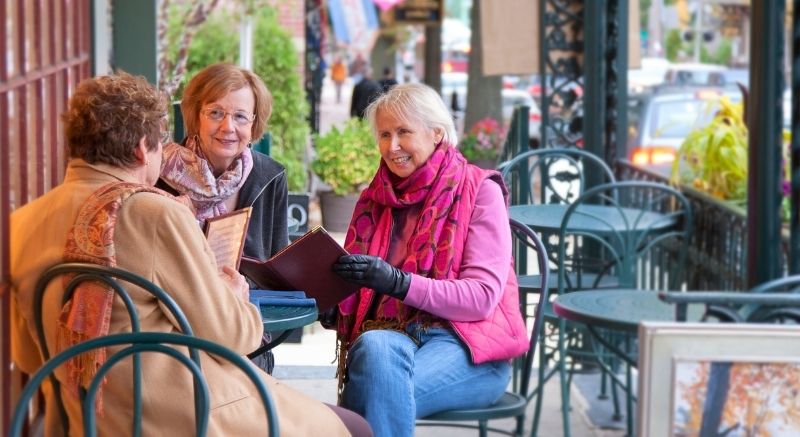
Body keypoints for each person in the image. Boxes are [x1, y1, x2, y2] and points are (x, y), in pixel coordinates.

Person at [10, 72, 371, 437]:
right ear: (141, 148)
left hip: (78, 421)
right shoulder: (154, 212)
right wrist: (235, 296)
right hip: (173, 417)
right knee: (354, 427)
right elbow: (232, 335)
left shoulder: (19, 225)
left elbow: (26, 354)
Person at [327, 83, 529, 436]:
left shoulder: (481, 191)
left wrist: (397, 283)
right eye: (384, 134)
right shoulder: (375, 199)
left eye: (404, 132)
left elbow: (480, 299)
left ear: (437, 133)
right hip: (392, 343)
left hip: (470, 350)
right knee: (374, 350)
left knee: (371, 390)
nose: (392, 147)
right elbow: (358, 298)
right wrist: (333, 301)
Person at [157, 63, 287, 373]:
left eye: (240, 116)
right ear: (195, 115)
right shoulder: (159, 174)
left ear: (253, 124)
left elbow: (277, 272)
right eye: (215, 113)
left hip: (244, 323)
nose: (228, 127)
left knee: (245, 371)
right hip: (174, 321)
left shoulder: (271, 176)